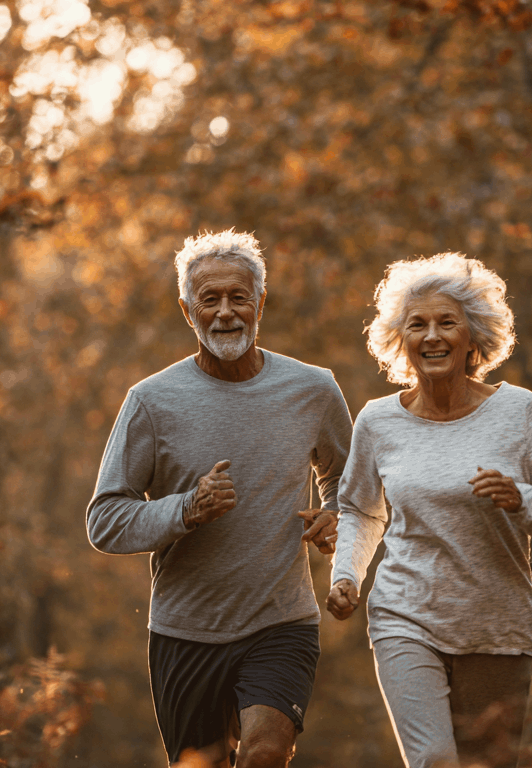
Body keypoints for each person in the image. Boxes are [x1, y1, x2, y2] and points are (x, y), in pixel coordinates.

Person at [86, 229, 352, 768]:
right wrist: (186, 509)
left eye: (239, 297)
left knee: (264, 753)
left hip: (282, 622)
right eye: (210, 299)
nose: (226, 312)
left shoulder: (313, 389)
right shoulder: (151, 401)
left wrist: (335, 515)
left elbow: (349, 482)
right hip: (185, 630)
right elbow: (105, 520)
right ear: (188, 311)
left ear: (261, 303)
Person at [326, 252, 532, 768]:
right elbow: (360, 510)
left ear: (474, 336)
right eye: (417, 325)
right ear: (400, 338)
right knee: (435, 760)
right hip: (404, 616)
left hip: (496, 628)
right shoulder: (378, 421)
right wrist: (347, 575)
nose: (432, 336)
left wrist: (523, 501)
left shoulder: (519, 412)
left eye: (447, 322)